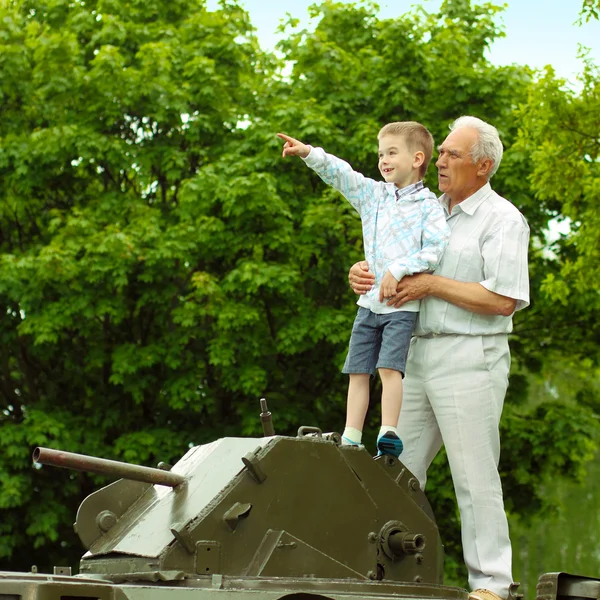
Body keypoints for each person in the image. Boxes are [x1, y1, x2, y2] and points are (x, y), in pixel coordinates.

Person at [348, 116, 529, 600]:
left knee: (474, 475)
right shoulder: (421, 206)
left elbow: (503, 299)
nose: (441, 160)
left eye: (453, 154)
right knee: (392, 470)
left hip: (469, 356)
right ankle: (380, 578)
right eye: (442, 150)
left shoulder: (504, 220)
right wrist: (364, 273)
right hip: (411, 353)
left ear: (483, 167)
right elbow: (389, 260)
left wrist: (428, 284)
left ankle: (491, 585)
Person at [277, 123, 450, 457]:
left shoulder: (429, 207)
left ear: (417, 159)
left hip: (400, 307)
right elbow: (342, 174)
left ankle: (388, 431)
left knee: (388, 369)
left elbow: (435, 250)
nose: (383, 160)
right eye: (380, 153)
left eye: (391, 152)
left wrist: (399, 270)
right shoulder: (374, 196)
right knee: (357, 370)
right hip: (368, 304)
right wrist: (309, 153)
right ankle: (351, 435)